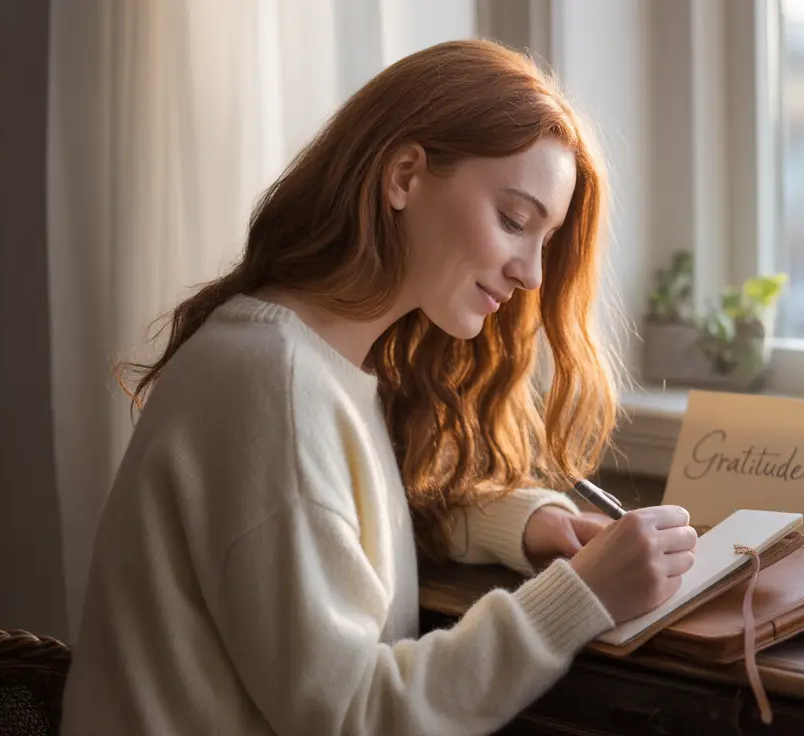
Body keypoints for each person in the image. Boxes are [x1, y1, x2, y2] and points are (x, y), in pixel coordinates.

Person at [60, 39, 698, 735]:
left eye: (543, 241)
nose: (532, 275)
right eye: (514, 221)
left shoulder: (312, 362)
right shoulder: (273, 384)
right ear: (403, 176)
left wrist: (524, 525)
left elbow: (341, 523)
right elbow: (354, 715)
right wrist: (581, 596)